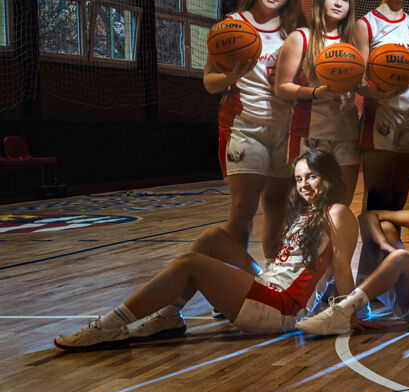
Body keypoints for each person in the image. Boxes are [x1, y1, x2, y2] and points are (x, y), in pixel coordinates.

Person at [55, 150, 356, 350]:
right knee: (213, 236)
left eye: (312, 177)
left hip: (282, 308)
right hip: (269, 288)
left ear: (329, 177)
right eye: (299, 179)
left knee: (191, 263)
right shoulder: (307, 213)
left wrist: (352, 313)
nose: (304, 185)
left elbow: (341, 267)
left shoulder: (337, 212)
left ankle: (109, 326)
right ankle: (170, 316)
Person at [205, 0, 305, 260]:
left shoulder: (295, 31)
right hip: (244, 126)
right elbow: (210, 82)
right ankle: (231, 281)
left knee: (278, 205)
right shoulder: (231, 26)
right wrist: (230, 77)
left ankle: (273, 284)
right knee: (243, 209)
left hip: (284, 129)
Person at [297, 173, 409, 335]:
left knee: (400, 256)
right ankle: (359, 308)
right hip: (405, 294)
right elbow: (367, 216)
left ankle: (343, 310)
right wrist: (385, 245)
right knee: (382, 228)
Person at [349, 0, 409, 276]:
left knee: (397, 202)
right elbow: (358, 81)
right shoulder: (366, 24)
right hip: (380, 119)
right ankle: (368, 276)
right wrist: (382, 94)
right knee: (376, 201)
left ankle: (391, 274)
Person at [275, 0, 360, 206]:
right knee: (306, 208)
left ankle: (338, 245)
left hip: (347, 132)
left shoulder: (353, 41)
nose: (338, 3)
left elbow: (362, 85)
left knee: (341, 206)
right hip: (310, 132)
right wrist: (314, 93)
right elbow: (281, 87)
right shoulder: (301, 38)